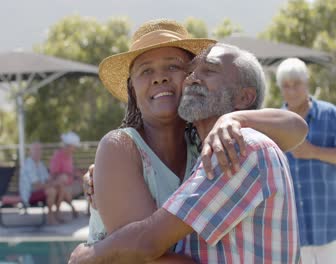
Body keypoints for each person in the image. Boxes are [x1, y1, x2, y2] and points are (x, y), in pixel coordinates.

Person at [70, 20, 306, 263]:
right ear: (132, 88)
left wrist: (235, 118)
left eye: (173, 66)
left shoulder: (215, 147)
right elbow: (143, 254)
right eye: (145, 70)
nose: (159, 78)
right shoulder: (122, 148)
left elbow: (297, 127)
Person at [275, 58, 336, 264]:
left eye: (296, 84)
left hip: (329, 224)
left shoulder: (330, 114)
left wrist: (313, 151)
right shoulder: (275, 122)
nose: (292, 91)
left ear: (307, 83)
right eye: (286, 86)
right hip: (293, 229)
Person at [19, 142, 65, 224]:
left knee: (60, 187)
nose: (38, 152)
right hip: (29, 195)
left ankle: (57, 213)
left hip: (39, 191)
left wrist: (58, 179)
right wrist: (54, 183)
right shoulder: (29, 164)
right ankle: (50, 218)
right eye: (36, 150)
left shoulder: (40, 164)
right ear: (30, 152)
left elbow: (47, 180)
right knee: (51, 190)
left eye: (40, 150)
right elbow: (36, 186)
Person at [49, 131, 81, 219]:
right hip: (59, 183)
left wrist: (76, 175)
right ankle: (58, 212)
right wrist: (66, 175)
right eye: (74, 147)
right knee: (63, 184)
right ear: (69, 146)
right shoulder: (58, 156)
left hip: (70, 183)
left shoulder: (70, 156)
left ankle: (71, 209)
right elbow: (54, 173)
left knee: (85, 182)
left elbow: (72, 171)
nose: (75, 149)